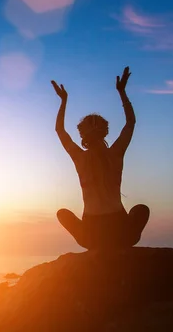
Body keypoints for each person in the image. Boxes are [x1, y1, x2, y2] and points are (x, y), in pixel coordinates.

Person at [51, 66, 149, 251]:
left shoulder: (79, 157)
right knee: (141, 209)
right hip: (120, 230)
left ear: (83, 135)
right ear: (104, 132)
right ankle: (121, 244)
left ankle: (97, 247)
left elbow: (60, 131)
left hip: (91, 233)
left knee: (62, 214)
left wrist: (63, 101)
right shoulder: (115, 153)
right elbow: (130, 123)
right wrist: (122, 92)